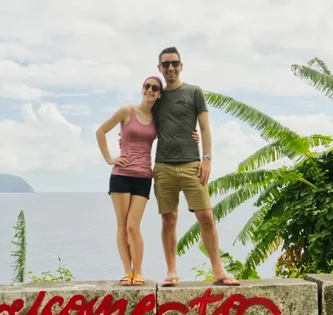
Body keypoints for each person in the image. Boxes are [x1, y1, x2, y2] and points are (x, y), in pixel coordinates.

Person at [95, 76, 199, 286]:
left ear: (159, 94)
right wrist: (109, 159)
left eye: (155, 88)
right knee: (122, 225)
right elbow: (100, 131)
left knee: (133, 226)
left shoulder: (156, 119)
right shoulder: (127, 111)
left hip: (143, 176)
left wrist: (193, 136)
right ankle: (127, 272)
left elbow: (174, 134)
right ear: (142, 89)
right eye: (147, 86)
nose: (150, 90)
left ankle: (138, 272)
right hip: (121, 175)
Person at [152, 46, 240, 286]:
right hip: (163, 167)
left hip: (192, 165)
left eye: (174, 63)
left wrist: (207, 158)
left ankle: (219, 271)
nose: (170, 67)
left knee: (206, 217)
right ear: (159, 68)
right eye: (166, 64)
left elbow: (204, 128)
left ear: (181, 66)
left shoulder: (194, 92)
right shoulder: (156, 98)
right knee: (168, 219)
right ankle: (171, 272)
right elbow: (142, 122)